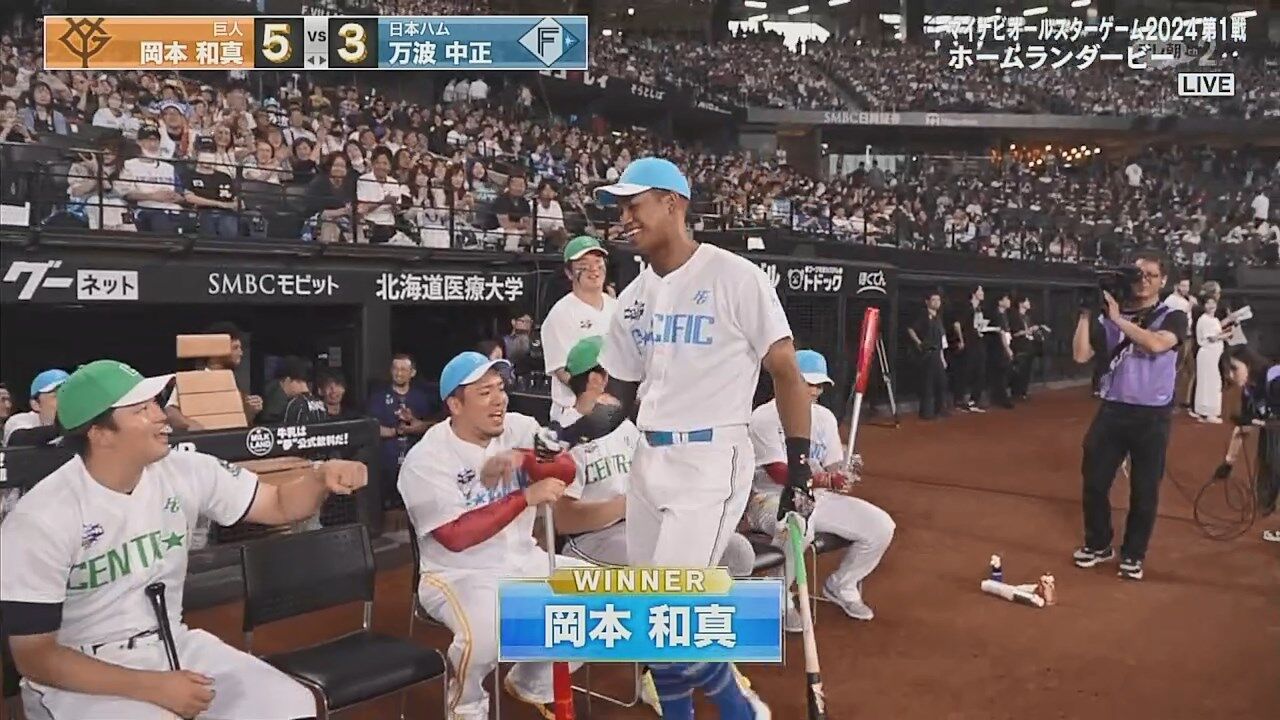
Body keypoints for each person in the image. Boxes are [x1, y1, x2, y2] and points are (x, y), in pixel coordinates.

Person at [544, 157, 813, 718]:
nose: (624, 217)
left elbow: (786, 371)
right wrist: (562, 435)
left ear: (673, 204)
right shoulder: (633, 298)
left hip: (711, 458)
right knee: (653, 618)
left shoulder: (736, 277)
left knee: (668, 608)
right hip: (648, 458)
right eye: (620, 207)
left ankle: (742, 710)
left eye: (633, 204)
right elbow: (618, 401)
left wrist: (800, 469)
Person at [0, 359, 367, 720]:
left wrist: (320, 478)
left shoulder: (185, 469)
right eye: (141, 410)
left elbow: (279, 504)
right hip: (84, 672)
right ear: (100, 433)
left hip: (171, 641)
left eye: (156, 403)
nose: (161, 416)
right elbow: (36, 656)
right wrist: (153, 687)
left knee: (290, 704)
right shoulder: (41, 516)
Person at [398, 351, 585, 720]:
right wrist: (524, 497)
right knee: (484, 635)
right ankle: (465, 704)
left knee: (607, 601)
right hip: (458, 573)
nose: (499, 399)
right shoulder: (427, 458)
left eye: (500, 388)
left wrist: (526, 459)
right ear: (455, 405)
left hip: (524, 558)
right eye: (484, 393)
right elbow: (455, 536)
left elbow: (566, 469)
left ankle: (531, 680)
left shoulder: (520, 428)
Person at [747, 349, 895, 627]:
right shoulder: (764, 417)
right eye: (809, 383)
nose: (815, 391)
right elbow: (779, 474)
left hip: (816, 497)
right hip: (770, 499)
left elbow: (832, 466)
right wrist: (825, 480)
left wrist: (845, 472)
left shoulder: (824, 417)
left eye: (820, 385)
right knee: (799, 525)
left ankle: (842, 585)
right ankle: (778, 595)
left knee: (880, 526)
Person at [1071, 250, 1188, 581]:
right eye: (1138, 274)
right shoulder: (1110, 316)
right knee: (1094, 481)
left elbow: (1156, 344)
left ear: (1163, 281)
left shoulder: (1173, 314)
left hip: (1152, 414)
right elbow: (1081, 355)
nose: (1144, 280)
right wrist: (1085, 314)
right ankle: (1098, 543)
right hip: (1113, 409)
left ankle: (1133, 553)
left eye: (1152, 275)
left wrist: (1118, 319)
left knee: (1144, 489)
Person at [541, 236, 618, 424]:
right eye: (584, 265)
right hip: (573, 414)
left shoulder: (616, 307)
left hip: (613, 409)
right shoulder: (560, 314)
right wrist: (595, 394)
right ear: (569, 273)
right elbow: (563, 372)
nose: (593, 269)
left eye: (598, 262)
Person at [367, 354, 435, 510]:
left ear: (412, 373)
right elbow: (370, 427)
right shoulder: (378, 397)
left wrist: (414, 423)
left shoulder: (422, 398)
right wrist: (395, 431)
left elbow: (433, 426)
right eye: (395, 369)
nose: (398, 373)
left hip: (416, 464)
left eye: (403, 369)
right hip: (387, 464)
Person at [907, 290, 949, 420]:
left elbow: (941, 339)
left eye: (938, 300)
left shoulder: (938, 318)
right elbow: (911, 329)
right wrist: (919, 343)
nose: (937, 302)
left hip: (937, 353)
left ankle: (940, 409)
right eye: (934, 300)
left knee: (941, 382)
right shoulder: (923, 316)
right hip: (927, 354)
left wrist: (942, 358)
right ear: (927, 302)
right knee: (928, 384)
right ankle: (927, 412)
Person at [3, 369, 68, 447]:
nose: (66, 400)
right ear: (36, 404)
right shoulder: (21, 420)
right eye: (57, 395)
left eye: (69, 394)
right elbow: (18, 440)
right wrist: (68, 428)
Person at [1192, 297, 1230, 423]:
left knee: (1210, 382)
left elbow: (1217, 333)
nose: (1211, 305)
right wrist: (1226, 335)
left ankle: (1205, 412)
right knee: (1210, 383)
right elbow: (1212, 338)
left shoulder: (1214, 320)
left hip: (1213, 355)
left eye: (1213, 303)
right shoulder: (1204, 319)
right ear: (1204, 306)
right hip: (1207, 354)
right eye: (1208, 303)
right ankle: (1208, 413)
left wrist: (1226, 331)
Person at [951, 285, 987, 413]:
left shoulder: (979, 309)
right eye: (980, 290)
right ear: (974, 293)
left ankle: (974, 400)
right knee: (965, 372)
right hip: (969, 344)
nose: (982, 293)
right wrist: (961, 340)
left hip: (978, 342)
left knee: (980, 372)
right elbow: (957, 324)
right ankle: (959, 400)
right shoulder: (966, 308)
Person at [987, 291, 1015, 409]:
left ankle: (1000, 397)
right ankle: (1001, 398)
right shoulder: (997, 315)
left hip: (1004, 346)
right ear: (1000, 302)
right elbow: (1001, 333)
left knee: (1004, 372)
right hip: (998, 348)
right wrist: (1007, 348)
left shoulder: (1004, 315)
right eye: (1006, 299)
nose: (1009, 302)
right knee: (1000, 373)